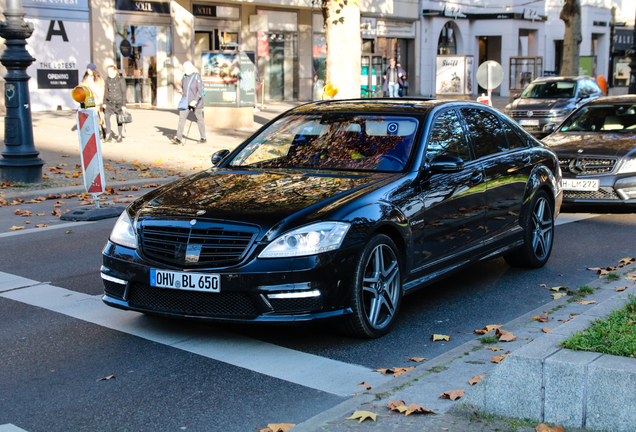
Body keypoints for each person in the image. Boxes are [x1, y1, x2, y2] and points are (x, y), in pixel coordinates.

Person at [172, 61, 206, 145]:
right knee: (181, 119)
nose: (185, 70)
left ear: (190, 67)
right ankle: (178, 138)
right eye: (184, 68)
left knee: (199, 119)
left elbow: (200, 90)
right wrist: (181, 90)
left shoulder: (196, 76)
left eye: (185, 68)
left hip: (196, 101)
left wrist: (195, 100)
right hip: (186, 101)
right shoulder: (185, 77)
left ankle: (203, 137)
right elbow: (185, 88)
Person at [103, 64, 127, 143]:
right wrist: (104, 102)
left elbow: (123, 92)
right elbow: (106, 92)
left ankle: (119, 135)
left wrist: (124, 104)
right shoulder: (108, 80)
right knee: (106, 117)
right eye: (108, 71)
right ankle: (109, 134)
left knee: (119, 119)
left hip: (118, 102)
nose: (109, 73)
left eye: (110, 71)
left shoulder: (120, 79)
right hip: (110, 103)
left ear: (115, 71)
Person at [81, 64, 105, 139]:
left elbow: (101, 89)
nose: (88, 71)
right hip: (89, 100)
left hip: (97, 99)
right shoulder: (86, 78)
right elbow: (82, 86)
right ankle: (95, 131)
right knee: (91, 116)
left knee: (98, 116)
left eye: (89, 70)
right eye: (87, 70)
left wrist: (102, 99)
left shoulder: (99, 78)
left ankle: (101, 131)